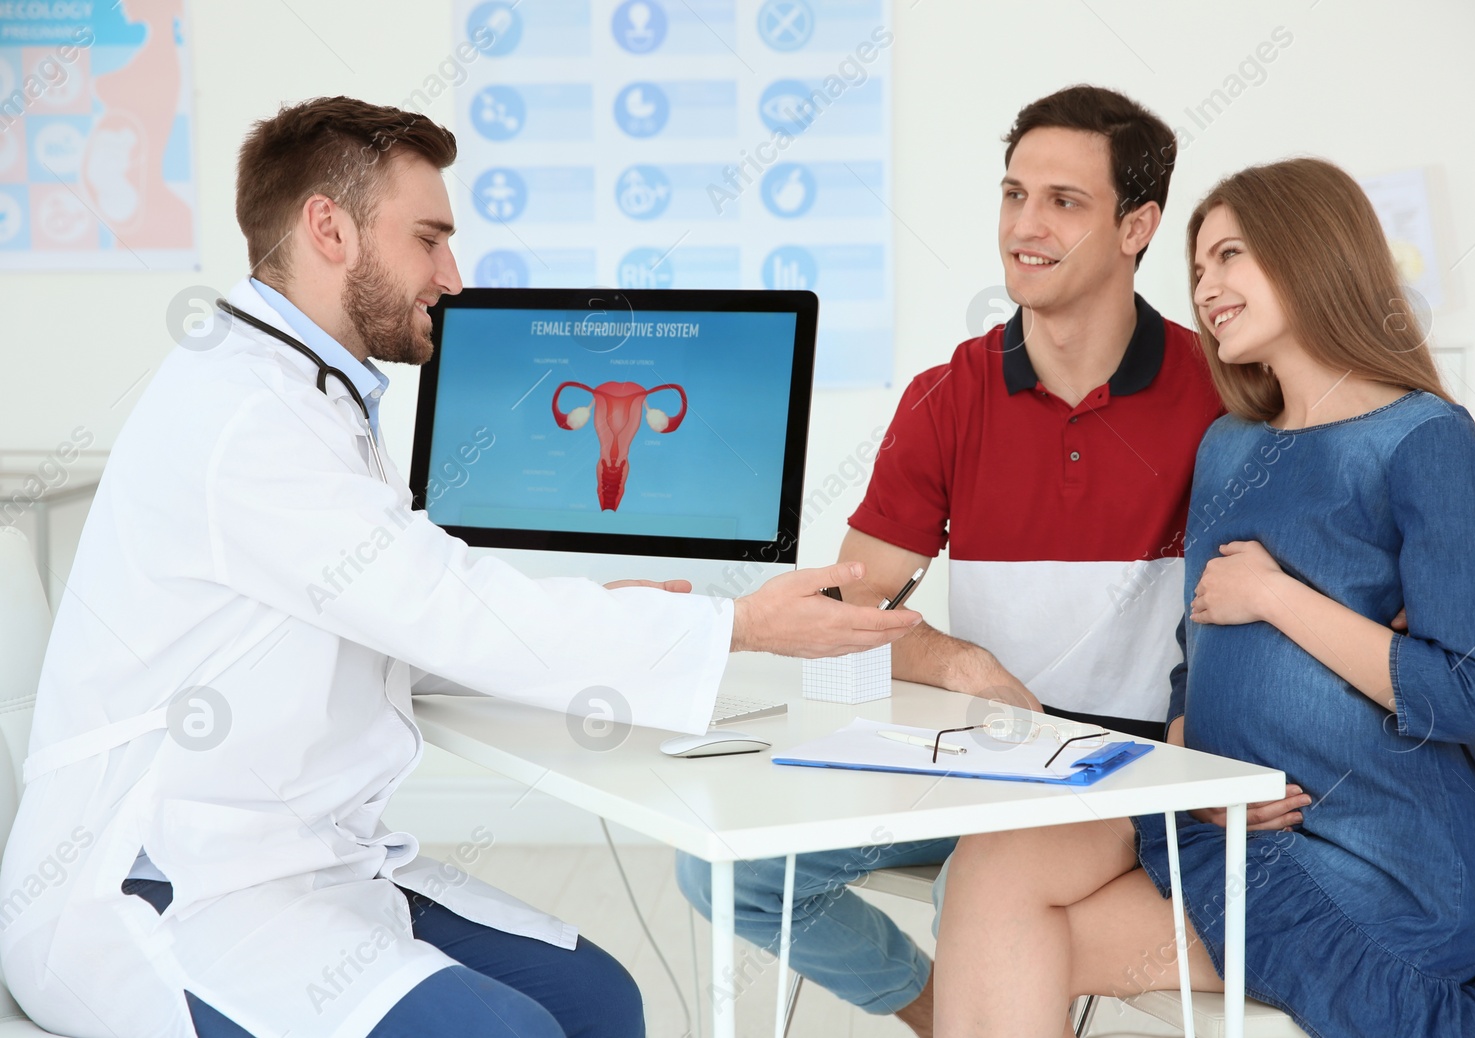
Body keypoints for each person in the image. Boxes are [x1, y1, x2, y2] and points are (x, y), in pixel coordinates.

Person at [0, 96, 921, 1038]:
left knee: (602, 1001)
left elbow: (392, 608)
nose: (454, 276)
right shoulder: (247, 414)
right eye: (430, 240)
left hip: (301, 862)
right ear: (330, 227)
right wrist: (741, 626)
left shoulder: (311, 393)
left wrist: (612, 615)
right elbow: (443, 605)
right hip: (164, 887)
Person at [677, 84, 1239, 1036]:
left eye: (1065, 202)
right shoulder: (951, 395)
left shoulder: (1214, 397)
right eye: (1015, 195)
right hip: (977, 755)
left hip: (1134, 769)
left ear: (1138, 225)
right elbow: (840, 613)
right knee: (727, 867)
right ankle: (946, 1013)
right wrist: (955, 662)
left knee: (976, 900)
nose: (1025, 225)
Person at [933, 157, 1475, 1038]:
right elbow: (1198, 651)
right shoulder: (1228, 445)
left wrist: (1279, 597)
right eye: (1199, 267)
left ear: (1312, 254)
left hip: (1383, 864)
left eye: (1230, 257)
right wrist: (1193, 765)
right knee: (996, 868)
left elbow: (1474, 695)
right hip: (1228, 820)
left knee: (1027, 930)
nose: (1206, 288)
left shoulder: (1423, 439)